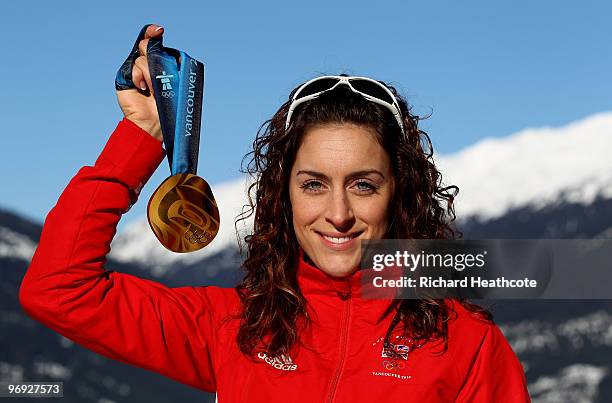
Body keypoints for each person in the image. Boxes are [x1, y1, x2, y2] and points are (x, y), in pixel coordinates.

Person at [19, 24, 530, 402]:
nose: (338, 213)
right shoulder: (235, 326)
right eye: (313, 184)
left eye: (364, 185)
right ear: (282, 197)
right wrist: (143, 136)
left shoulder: (466, 344)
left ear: (401, 193)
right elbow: (58, 290)